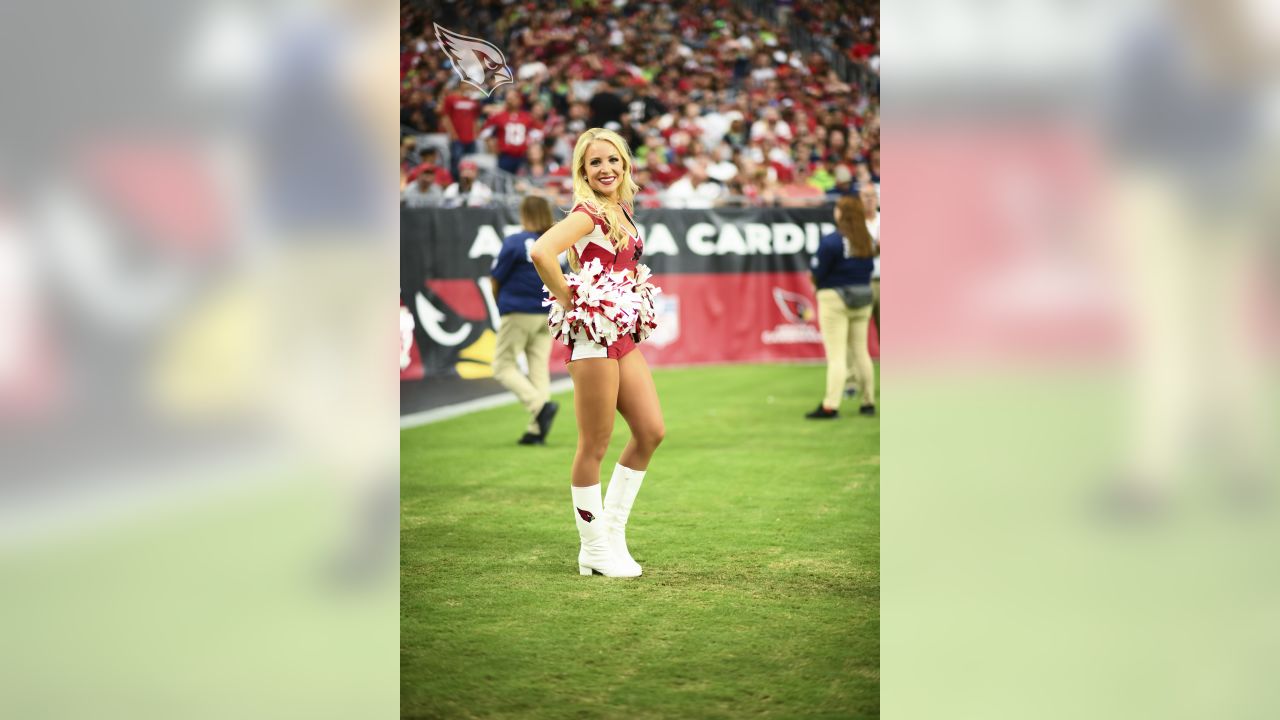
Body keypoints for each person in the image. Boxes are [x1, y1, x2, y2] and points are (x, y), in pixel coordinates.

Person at [529, 128, 664, 578]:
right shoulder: (587, 212)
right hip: (592, 338)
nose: (605, 169)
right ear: (583, 171)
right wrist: (571, 299)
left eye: (613, 160)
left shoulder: (622, 209)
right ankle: (592, 548)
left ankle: (612, 532)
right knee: (595, 442)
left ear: (625, 165)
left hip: (621, 335)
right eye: (595, 163)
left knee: (650, 431)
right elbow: (542, 251)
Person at [489, 196, 560, 446]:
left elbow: (496, 277)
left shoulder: (515, 242)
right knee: (539, 369)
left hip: (518, 310)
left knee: (503, 365)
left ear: (524, 214)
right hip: (547, 312)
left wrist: (500, 304)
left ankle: (539, 407)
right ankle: (535, 432)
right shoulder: (555, 243)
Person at [807, 194, 878, 419]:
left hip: (835, 298)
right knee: (861, 352)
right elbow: (868, 267)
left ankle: (831, 405)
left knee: (837, 355)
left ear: (842, 213)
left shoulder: (832, 241)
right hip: (862, 297)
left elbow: (818, 271)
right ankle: (868, 402)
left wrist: (818, 284)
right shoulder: (866, 239)